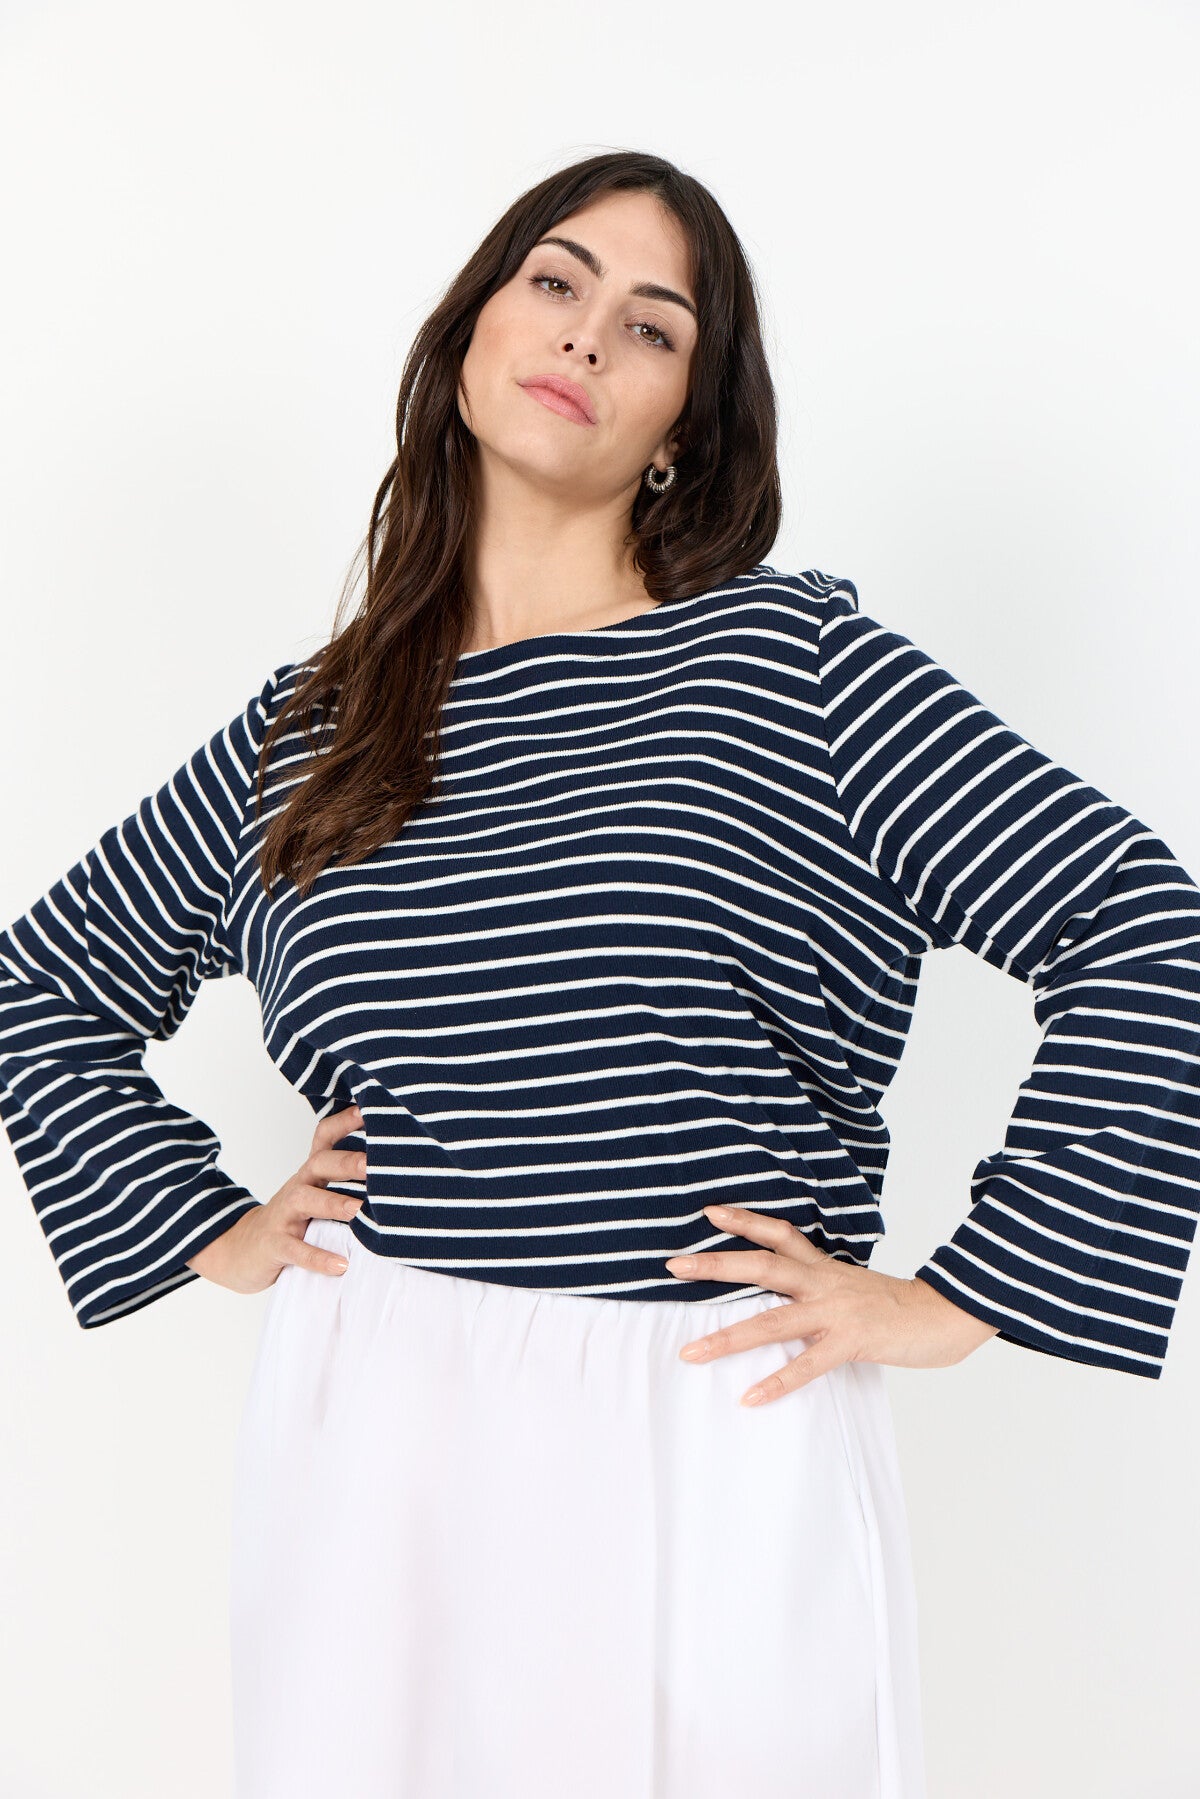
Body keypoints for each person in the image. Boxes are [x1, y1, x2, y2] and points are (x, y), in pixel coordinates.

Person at [1, 150, 1198, 1799]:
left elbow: (1138, 922)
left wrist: (971, 1292)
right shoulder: (315, 727)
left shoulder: (790, 669)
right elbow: (44, 986)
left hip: (702, 1412)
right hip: (375, 1419)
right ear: (472, 332)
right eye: (555, 282)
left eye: (652, 326)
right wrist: (203, 1223)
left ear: (686, 424)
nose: (585, 334)